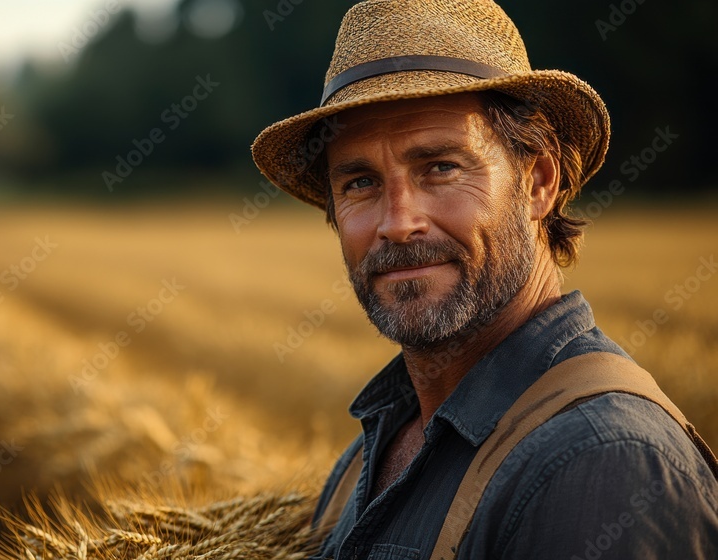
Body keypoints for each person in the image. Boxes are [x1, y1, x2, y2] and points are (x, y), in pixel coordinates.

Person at [250, 0, 718, 558]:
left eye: (441, 167)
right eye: (359, 183)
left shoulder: (603, 465)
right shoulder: (376, 445)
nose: (398, 224)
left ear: (539, 181)